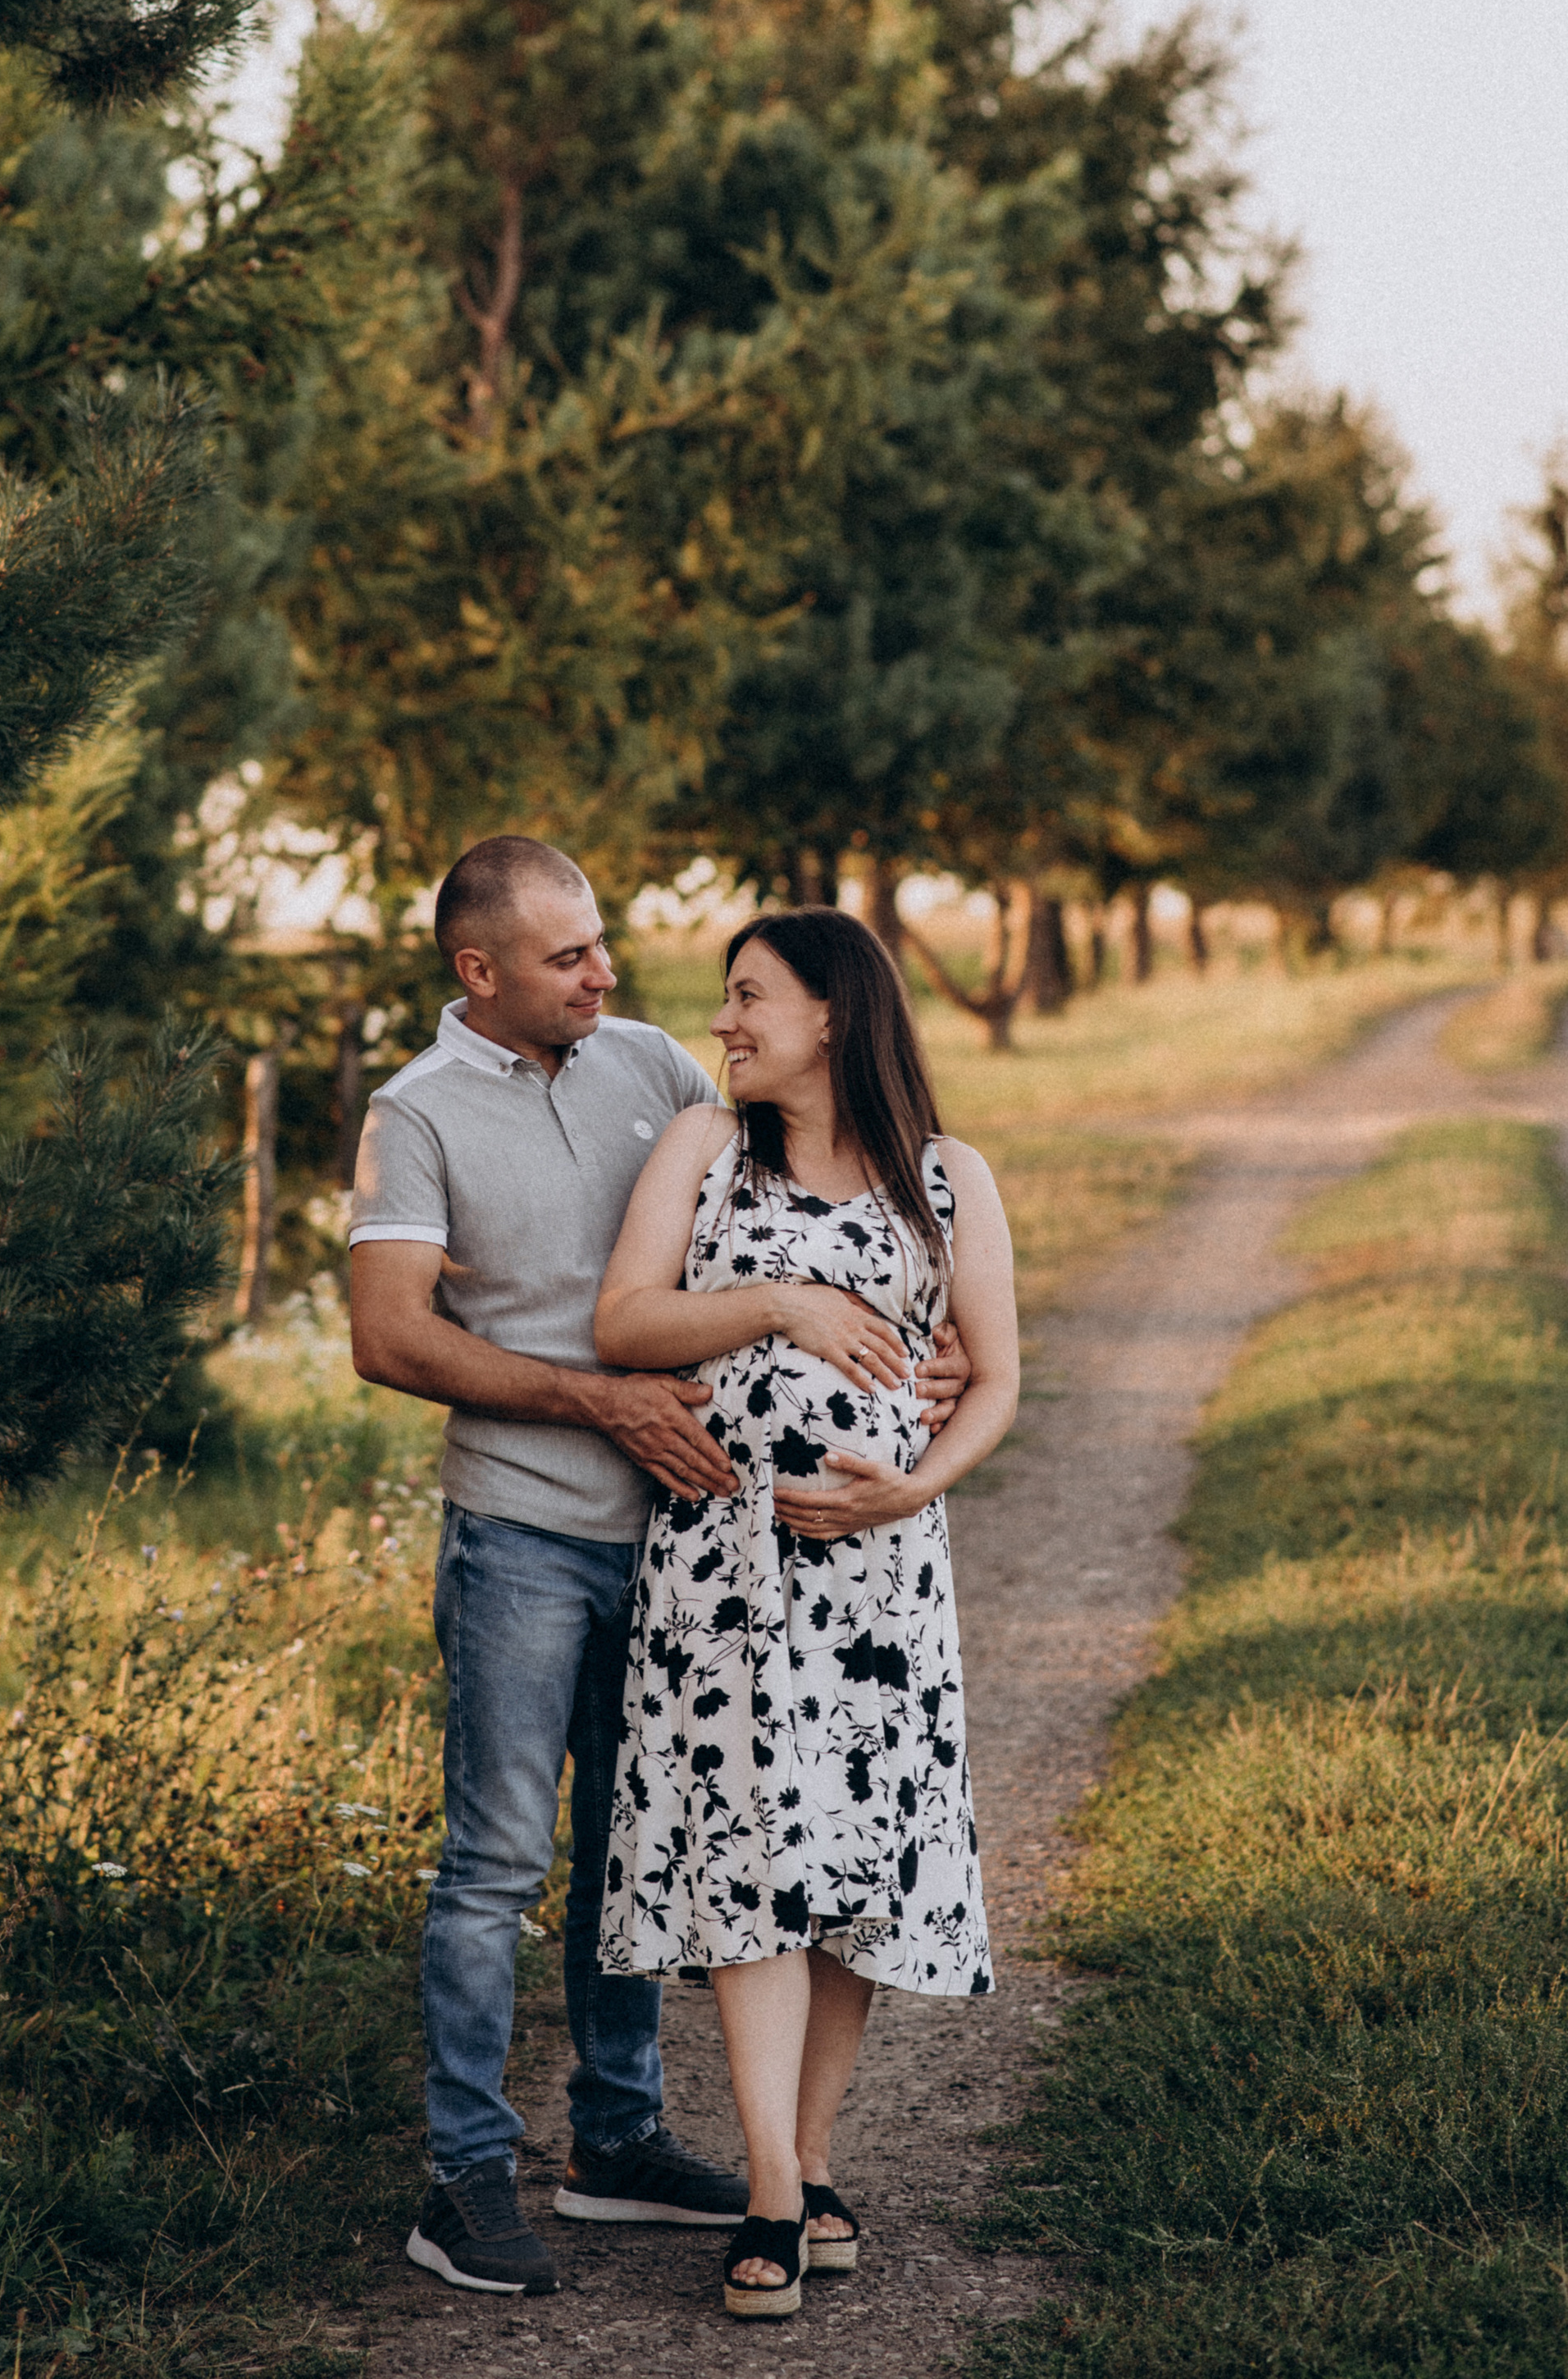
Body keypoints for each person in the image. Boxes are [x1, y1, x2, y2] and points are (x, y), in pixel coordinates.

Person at [348, 840, 969, 2298]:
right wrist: (595, 1399)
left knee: (639, 1855)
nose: (606, 974)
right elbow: (388, 1337)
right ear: (479, 972)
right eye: (569, 957)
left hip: (694, 1557)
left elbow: (805, 1207)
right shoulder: (412, 1116)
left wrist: (923, 1361)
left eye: (604, 944)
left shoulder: (660, 1074)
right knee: (496, 1862)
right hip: (522, 1533)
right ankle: (466, 2177)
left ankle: (616, 2144)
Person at [593, 906, 1019, 2319]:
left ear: (831, 1013)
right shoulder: (704, 1154)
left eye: (747, 996)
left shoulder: (950, 1181)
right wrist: (782, 1302)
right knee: (749, 1864)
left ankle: (818, 2160)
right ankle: (772, 2185)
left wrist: (907, 1494)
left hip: (884, 1586)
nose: (724, 1023)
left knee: (849, 1874)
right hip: (726, 1572)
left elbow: (1000, 1383)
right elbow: (626, 1323)